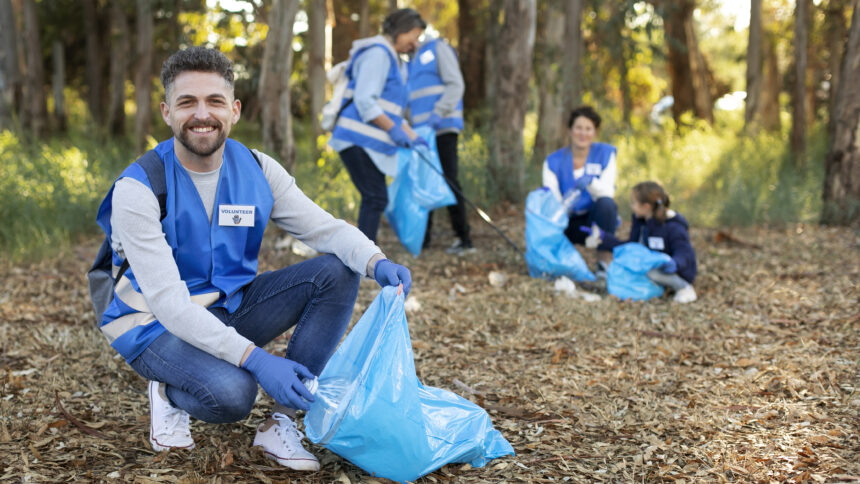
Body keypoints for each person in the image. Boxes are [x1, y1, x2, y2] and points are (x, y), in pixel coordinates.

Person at [95, 46, 412, 472]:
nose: (201, 114)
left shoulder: (259, 170)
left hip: (229, 306)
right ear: (167, 111)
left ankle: (282, 420)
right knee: (234, 394)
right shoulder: (137, 188)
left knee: (338, 268)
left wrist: (375, 261)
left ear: (235, 110)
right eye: (187, 102)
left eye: (215, 102)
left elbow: (326, 229)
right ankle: (168, 391)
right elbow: (170, 304)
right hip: (153, 324)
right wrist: (257, 359)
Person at [329, 8, 428, 243]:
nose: (415, 43)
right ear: (399, 30)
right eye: (413, 36)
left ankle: (363, 258)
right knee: (375, 197)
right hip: (355, 138)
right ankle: (362, 260)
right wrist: (393, 130)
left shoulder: (394, 59)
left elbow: (391, 111)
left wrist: (412, 136)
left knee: (375, 197)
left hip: (364, 140)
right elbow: (365, 101)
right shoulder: (378, 54)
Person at [408, 33, 474, 254]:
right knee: (424, 182)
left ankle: (463, 238)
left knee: (449, 179)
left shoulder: (438, 48)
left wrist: (438, 112)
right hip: (421, 133)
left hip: (442, 126)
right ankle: (423, 239)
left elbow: (456, 84)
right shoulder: (412, 59)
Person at [584, 181, 697, 303]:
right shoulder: (641, 224)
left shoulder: (673, 227)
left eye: (633, 203)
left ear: (646, 206)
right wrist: (603, 237)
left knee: (653, 273)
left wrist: (674, 263)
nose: (631, 207)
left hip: (672, 270)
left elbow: (684, 254)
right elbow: (631, 247)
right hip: (649, 265)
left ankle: (684, 288)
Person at [542, 106, 619, 277]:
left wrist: (590, 182)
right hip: (566, 221)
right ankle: (558, 262)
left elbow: (607, 193)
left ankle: (603, 264)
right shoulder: (553, 161)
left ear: (595, 132)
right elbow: (552, 201)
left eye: (588, 129)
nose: (582, 134)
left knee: (607, 205)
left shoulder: (605, 154)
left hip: (593, 221)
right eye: (578, 128)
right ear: (570, 130)